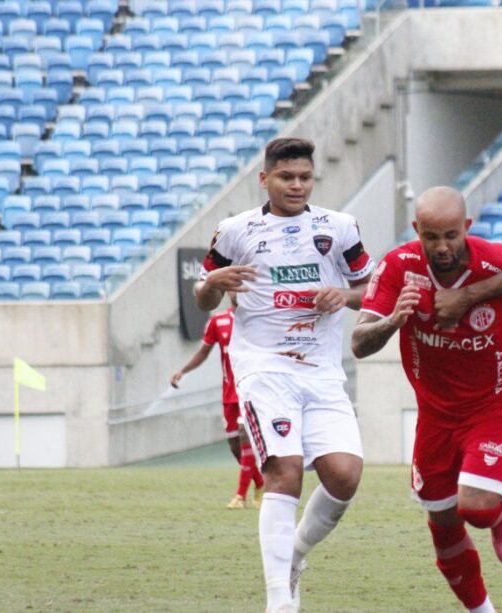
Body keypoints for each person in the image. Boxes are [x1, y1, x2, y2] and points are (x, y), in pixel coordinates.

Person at [351, 186, 502, 613]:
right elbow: (359, 343)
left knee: (476, 508)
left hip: (494, 403)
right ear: (416, 230)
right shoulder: (398, 266)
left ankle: (497, 513)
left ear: (467, 227)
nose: (441, 247)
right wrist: (393, 320)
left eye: (450, 236)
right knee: (442, 525)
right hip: (435, 413)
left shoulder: (496, 259)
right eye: (431, 237)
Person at [195, 138, 374, 613]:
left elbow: (369, 286)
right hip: (264, 367)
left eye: (304, 177)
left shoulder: (338, 227)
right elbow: (203, 296)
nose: (296, 185)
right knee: (285, 472)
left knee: (345, 476)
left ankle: (291, 555)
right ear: (265, 179)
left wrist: (344, 296)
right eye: (286, 177)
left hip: (321, 370)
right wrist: (213, 283)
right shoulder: (235, 231)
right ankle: (280, 602)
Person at [170, 292, 265, 510]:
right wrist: (182, 371)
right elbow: (203, 352)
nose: (238, 293)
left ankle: (240, 496)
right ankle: (260, 484)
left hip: (250, 390)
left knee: (244, 436)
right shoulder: (218, 321)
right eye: (235, 289)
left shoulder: (259, 320)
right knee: (235, 446)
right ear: (228, 292)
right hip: (228, 393)